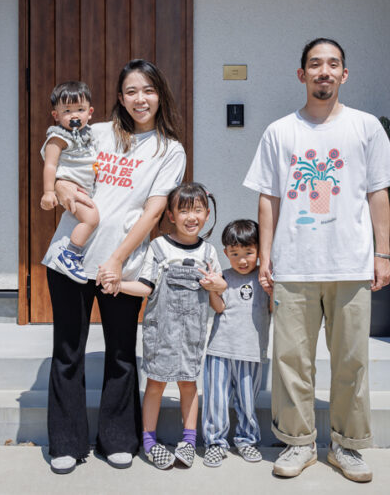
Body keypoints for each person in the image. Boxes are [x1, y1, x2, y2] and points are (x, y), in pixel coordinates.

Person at [243, 38, 390, 483]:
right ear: (302, 74)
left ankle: (347, 446)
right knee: (291, 360)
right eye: (315, 64)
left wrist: (383, 254)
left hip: (350, 263)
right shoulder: (280, 131)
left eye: (333, 64)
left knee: (352, 360)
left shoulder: (366, 127)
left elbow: (379, 193)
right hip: (294, 264)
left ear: (344, 74)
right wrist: (266, 256)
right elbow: (269, 198)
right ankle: (298, 443)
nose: (324, 71)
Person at [42, 59, 186, 475]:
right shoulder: (97, 132)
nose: (140, 99)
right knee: (67, 351)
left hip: (121, 266)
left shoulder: (169, 149)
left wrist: (118, 259)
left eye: (148, 90)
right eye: (131, 91)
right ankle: (66, 443)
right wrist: (62, 187)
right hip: (70, 258)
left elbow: (154, 210)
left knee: (121, 352)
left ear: (160, 95)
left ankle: (119, 439)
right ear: (120, 97)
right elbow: (56, 157)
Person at [114, 182, 226, 469]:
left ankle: (188, 441)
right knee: (155, 384)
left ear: (207, 214)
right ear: (171, 215)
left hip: (192, 335)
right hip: (160, 332)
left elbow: (218, 304)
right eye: (184, 210)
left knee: (189, 385)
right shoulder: (159, 246)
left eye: (198, 210)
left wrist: (217, 286)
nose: (192, 217)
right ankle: (149, 442)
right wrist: (119, 285)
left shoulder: (209, 252)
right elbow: (146, 287)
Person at [201, 218, 271, 468]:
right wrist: (212, 289)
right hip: (219, 348)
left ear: (259, 250)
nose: (242, 260)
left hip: (251, 350)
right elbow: (219, 308)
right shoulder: (223, 277)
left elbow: (273, 309)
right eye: (235, 254)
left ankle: (247, 440)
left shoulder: (264, 278)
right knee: (216, 399)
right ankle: (215, 443)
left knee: (247, 400)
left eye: (249, 253)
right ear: (226, 253)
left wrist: (272, 290)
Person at [40, 80, 100, 283]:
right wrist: (49, 191)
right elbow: (50, 165)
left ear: (89, 112)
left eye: (80, 109)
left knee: (89, 218)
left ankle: (73, 253)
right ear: (56, 115)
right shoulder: (58, 137)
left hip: (85, 188)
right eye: (67, 111)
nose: (74, 115)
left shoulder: (88, 134)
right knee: (91, 219)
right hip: (71, 187)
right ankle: (70, 254)